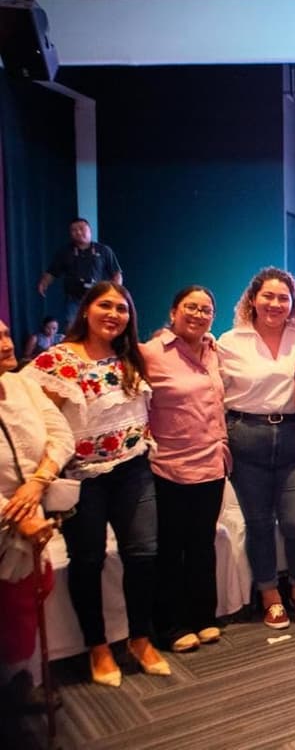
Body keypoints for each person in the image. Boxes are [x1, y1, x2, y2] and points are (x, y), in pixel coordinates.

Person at [23, 283, 168, 686]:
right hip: (82, 478)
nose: (114, 314)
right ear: (85, 310)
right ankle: (98, 646)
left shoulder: (129, 357)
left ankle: (139, 637)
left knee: (142, 554)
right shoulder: (56, 361)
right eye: (105, 305)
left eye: (122, 308)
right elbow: (38, 424)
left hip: (133, 469)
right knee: (88, 561)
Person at [218, 268, 295, 630]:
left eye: (283, 298)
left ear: (293, 304)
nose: (275, 304)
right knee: (259, 523)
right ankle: (269, 594)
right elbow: (214, 394)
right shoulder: (229, 341)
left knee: (294, 522)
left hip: (293, 436)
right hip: (247, 436)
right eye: (268, 296)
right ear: (252, 299)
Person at [141, 286, 231, 652]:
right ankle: (169, 624)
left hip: (211, 463)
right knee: (170, 548)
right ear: (173, 311)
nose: (198, 314)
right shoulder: (150, 353)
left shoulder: (213, 351)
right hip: (169, 467)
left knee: (202, 544)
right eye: (190, 307)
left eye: (206, 309)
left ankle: (203, 616)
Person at [0, 319, 73, 707]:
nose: (5, 344)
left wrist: (38, 481)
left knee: (27, 596)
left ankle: (20, 680)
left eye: (5, 334)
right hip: (10, 516)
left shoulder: (23, 384)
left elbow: (60, 435)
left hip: (31, 508)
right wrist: (15, 513)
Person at [36, 218, 123, 325]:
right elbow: (52, 272)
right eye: (74, 230)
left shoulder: (104, 250)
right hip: (74, 298)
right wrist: (43, 283)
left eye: (81, 229)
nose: (78, 232)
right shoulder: (64, 252)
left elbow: (116, 273)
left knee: (98, 325)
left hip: (98, 297)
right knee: (73, 327)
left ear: (90, 231)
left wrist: (115, 291)